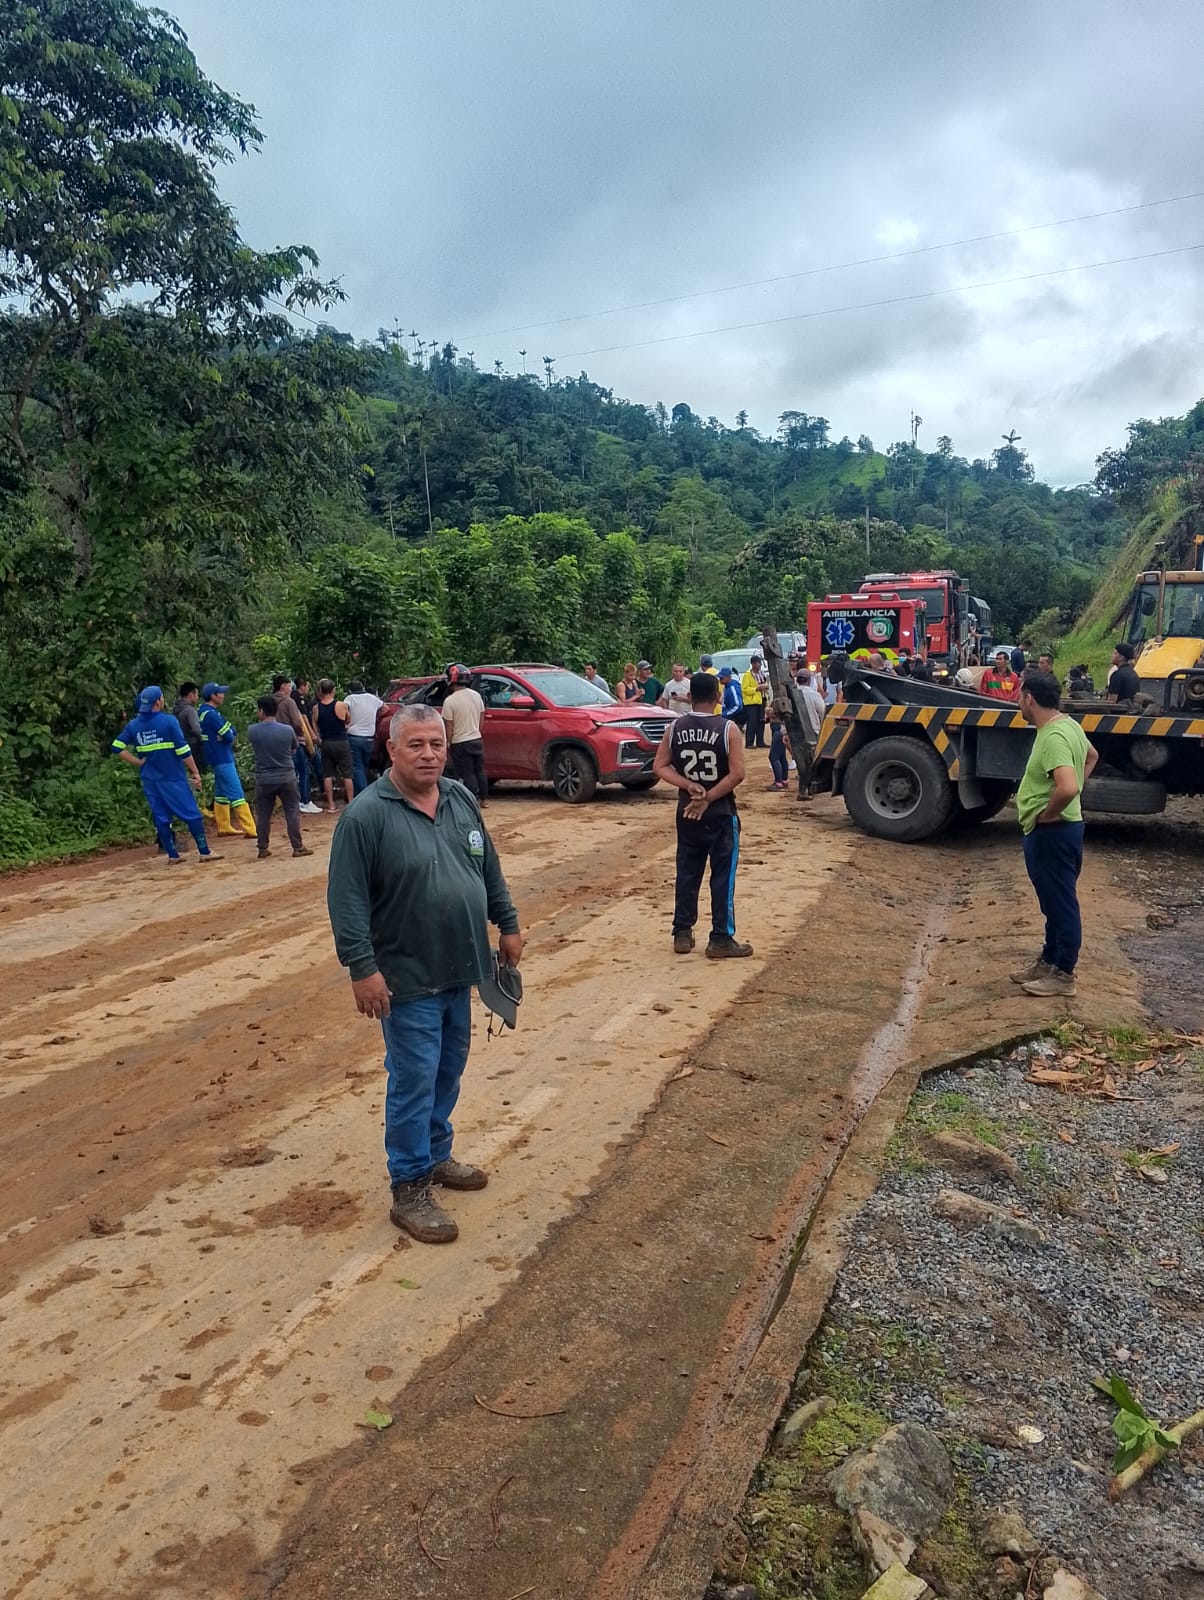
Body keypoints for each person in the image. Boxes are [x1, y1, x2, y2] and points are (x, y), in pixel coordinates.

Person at [327, 704, 523, 1244]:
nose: (429, 754)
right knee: (414, 1078)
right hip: (406, 976)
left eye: (436, 743)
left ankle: (435, 1155)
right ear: (392, 749)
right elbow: (346, 901)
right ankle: (409, 1184)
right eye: (416, 745)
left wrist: (507, 922)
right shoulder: (365, 817)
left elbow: (488, 866)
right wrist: (362, 968)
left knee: (447, 1070)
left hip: (461, 964)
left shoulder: (459, 797)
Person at [652, 671, 750, 959]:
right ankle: (720, 937)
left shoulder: (675, 727)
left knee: (687, 871)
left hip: (687, 811)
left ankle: (682, 932)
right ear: (718, 697)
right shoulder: (728, 729)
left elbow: (660, 766)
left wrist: (687, 785)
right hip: (720, 811)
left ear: (690, 696)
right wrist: (708, 797)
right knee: (722, 877)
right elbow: (737, 774)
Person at [1013, 671, 1098, 998]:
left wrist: (1048, 814)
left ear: (1029, 698)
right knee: (1053, 900)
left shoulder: (1053, 737)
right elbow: (1092, 756)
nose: (1018, 703)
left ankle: (1063, 973)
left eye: (1020, 696)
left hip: (1053, 831)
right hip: (1062, 829)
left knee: (1061, 904)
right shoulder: (1068, 726)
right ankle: (1048, 961)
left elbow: (1067, 787)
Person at [111, 686, 220, 864]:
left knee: (161, 817)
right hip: (172, 777)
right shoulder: (169, 721)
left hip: (150, 779)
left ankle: (172, 856)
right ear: (157, 702)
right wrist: (195, 772)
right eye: (161, 698)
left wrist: (137, 762)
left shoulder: (134, 725)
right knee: (192, 814)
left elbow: (116, 747)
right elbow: (183, 750)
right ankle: (204, 852)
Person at [246, 695, 313, 860]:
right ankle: (297, 847)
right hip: (286, 776)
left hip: (264, 778)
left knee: (263, 814)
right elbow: (293, 749)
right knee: (291, 811)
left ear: (262, 711)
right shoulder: (287, 730)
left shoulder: (252, 730)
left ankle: (262, 848)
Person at [198, 683, 257, 838]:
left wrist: (226, 733)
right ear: (213, 696)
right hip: (222, 757)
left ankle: (223, 826)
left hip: (215, 756)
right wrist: (226, 734)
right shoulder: (212, 715)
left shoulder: (204, 712)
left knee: (221, 792)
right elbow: (230, 735)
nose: (223, 695)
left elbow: (231, 731)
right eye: (220, 693)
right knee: (236, 791)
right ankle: (251, 828)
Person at [441, 664, 487, 801]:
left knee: (467, 773)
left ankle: (473, 798)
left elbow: (449, 724)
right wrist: (476, 732)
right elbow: (481, 717)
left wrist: (448, 742)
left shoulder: (450, 701)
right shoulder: (476, 696)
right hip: (476, 739)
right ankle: (484, 799)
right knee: (480, 770)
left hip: (460, 742)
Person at [312, 678, 354, 810]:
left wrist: (318, 738)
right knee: (347, 774)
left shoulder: (316, 708)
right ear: (333, 690)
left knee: (327, 774)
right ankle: (351, 803)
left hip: (326, 743)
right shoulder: (341, 705)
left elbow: (314, 724)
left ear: (321, 691)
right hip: (341, 741)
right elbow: (348, 719)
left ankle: (331, 804)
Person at [344, 678, 383, 792]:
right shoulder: (373, 698)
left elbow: (342, 709)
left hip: (354, 737)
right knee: (365, 765)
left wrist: (347, 721)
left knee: (357, 767)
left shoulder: (350, 698)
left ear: (350, 690)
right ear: (363, 688)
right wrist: (375, 717)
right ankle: (368, 789)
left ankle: (362, 792)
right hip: (370, 739)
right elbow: (385, 708)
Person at [290, 677, 322, 814]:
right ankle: (305, 800)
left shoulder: (293, 698)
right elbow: (303, 719)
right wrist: (311, 735)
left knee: (301, 769)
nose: (308, 689)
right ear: (302, 686)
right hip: (301, 739)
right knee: (305, 769)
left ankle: (303, 798)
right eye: (307, 686)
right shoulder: (297, 698)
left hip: (297, 739)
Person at [740, 654, 767, 748]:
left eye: (759, 663)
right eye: (757, 663)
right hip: (751, 703)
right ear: (752, 664)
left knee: (761, 722)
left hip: (761, 700)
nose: (759, 665)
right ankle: (749, 743)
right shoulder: (747, 676)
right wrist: (756, 689)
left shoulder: (762, 674)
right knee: (752, 723)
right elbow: (744, 689)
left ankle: (760, 741)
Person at [718, 665, 745, 730]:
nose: (720, 680)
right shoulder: (726, 687)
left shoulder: (732, 688)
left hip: (737, 717)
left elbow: (738, 706)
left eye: (722, 678)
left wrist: (725, 714)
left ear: (728, 677)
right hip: (732, 715)